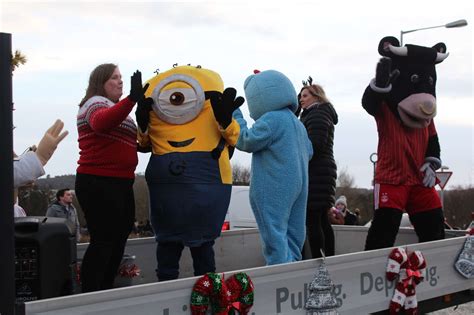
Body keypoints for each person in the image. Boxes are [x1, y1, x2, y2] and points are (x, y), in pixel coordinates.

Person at [75, 63, 147, 292]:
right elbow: (100, 123)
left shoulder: (117, 109)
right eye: (114, 78)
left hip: (121, 181)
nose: (120, 81)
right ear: (101, 83)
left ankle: (105, 288)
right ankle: (91, 292)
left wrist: (145, 115)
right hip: (99, 180)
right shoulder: (94, 103)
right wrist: (132, 100)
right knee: (104, 239)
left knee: (120, 236)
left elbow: (130, 144)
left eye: (120, 77)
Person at [231, 69, 312, 265]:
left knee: (273, 231)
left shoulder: (272, 119)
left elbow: (246, 140)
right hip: (300, 185)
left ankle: (277, 273)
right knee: (294, 233)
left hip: (273, 185)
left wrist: (235, 116)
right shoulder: (298, 124)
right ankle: (292, 268)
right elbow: (309, 151)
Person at [298, 80, 338, 258]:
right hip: (322, 171)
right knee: (321, 219)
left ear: (316, 97)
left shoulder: (317, 114)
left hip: (317, 172)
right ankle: (327, 258)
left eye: (305, 95)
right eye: (300, 96)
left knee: (313, 219)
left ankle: (318, 261)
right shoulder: (318, 113)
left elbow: (315, 145)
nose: (301, 99)